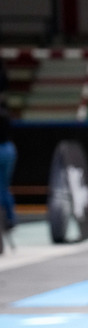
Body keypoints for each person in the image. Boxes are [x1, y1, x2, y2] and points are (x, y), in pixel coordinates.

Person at [0, 98, 16, 231]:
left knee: (2, 187)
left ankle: (7, 218)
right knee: (5, 186)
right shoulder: (6, 114)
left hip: (2, 150)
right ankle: (10, 218)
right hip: (9, 149)